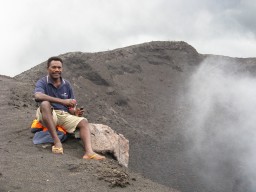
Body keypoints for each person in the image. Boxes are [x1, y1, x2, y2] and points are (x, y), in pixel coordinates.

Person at [34, 56, 105, 160]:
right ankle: (57, 142)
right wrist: (62, 101)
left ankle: (89, 152)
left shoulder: (66, 84)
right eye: (54, 67)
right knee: (45, 104)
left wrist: (75, 112)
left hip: (63, 114)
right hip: (48, 114)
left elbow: (71, 106)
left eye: (59, 67)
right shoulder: (42, 82)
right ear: (48, 68)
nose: (57, 70)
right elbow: (38, 96)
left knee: (84, 121)